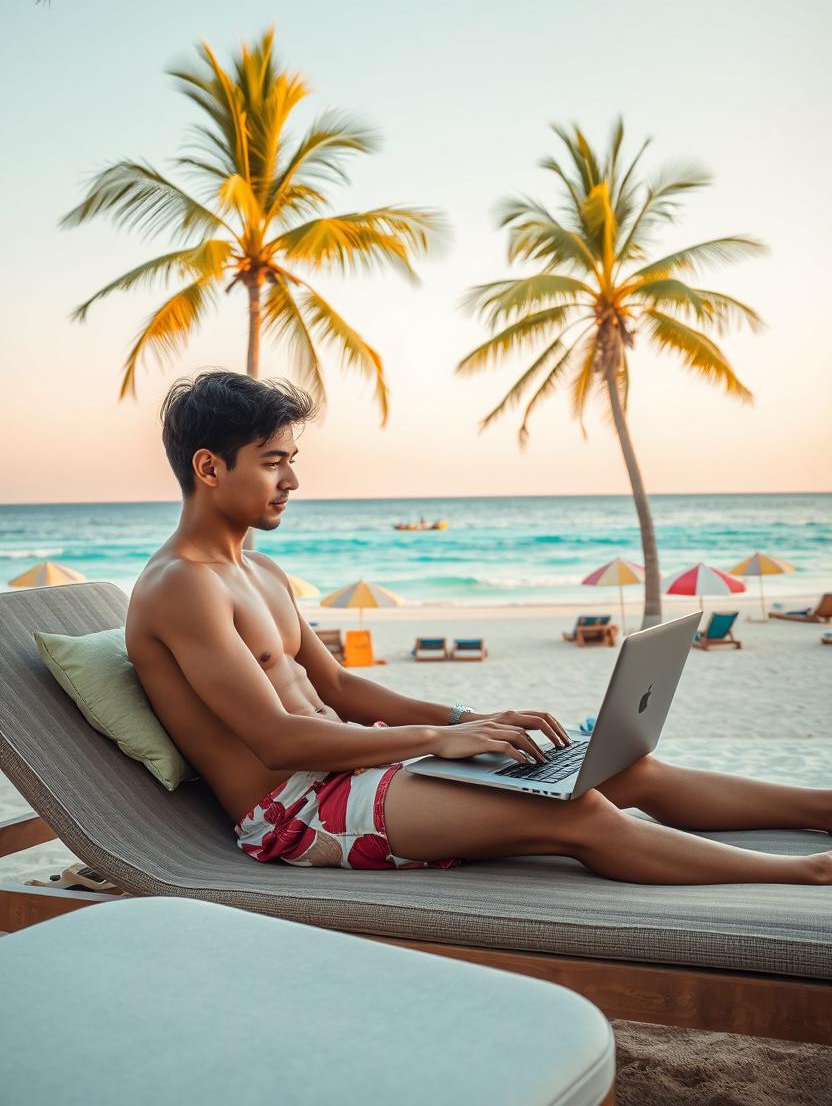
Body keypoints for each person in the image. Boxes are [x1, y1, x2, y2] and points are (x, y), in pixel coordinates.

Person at [126, 369, 832, 883]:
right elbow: (276, 742)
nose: (293, 481)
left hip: (367, 764)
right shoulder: (180, 587)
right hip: (299, 810)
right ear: (209, 467)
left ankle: (821, 806)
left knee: (616, 767)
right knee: (577, 814)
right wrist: (442, 737)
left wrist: (474, 716)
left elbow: (336, 685)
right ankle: (808, 874)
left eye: (293, 461)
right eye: (273, 461)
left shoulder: (262, 572)